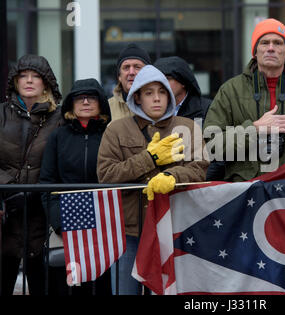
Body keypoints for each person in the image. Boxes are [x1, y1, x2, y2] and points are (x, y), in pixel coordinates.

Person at [97, 65, 209, 295]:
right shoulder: (116, 130)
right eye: (149, 93)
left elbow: (200, 167)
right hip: (130, 232)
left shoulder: (187, 126)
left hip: (175, 229)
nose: (157, 98)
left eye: (162, 92)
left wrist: (172, 176)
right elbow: (106, 175)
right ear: (136, 96)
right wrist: (149, 158)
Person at [203, 18, 285, 182]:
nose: (271, 48)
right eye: (264, 42)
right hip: (246, 194)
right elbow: (212, 147)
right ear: (255, 51)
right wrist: (254, 129)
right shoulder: (230, 91)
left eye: (278, 43)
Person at [39, 78, 112, 295]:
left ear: (101, 103)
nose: (86, 102)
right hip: (67, 222)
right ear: (71, 103)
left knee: (102, 285)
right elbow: (47, 182)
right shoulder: (58, 136)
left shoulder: (111, 134)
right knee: (69, 285)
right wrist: (58, 220)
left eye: (91, 97)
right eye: (80, 98)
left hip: (104, 223)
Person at [0, 54, 63, 295]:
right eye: (23, 76)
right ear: (14, 82)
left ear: (45, 83)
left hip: (42, 217)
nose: (28, 81)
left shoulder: (60, 118)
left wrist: (37, 190)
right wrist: (10, 188)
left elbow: (62, 163)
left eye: (35, 76)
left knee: (44, 286)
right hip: (6, 214)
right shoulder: (1, 114)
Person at [153, 56, 211, 122]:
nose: (163, 83)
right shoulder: (151, 109)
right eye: (159, 80)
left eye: (168, 78)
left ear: (183, 82)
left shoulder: (207, 109)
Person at [109, 43, 152, 121]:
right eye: (126, 67)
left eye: (137, 67)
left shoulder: (158, 104)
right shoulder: (107, 108)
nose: (131, 72)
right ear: (119, 76)